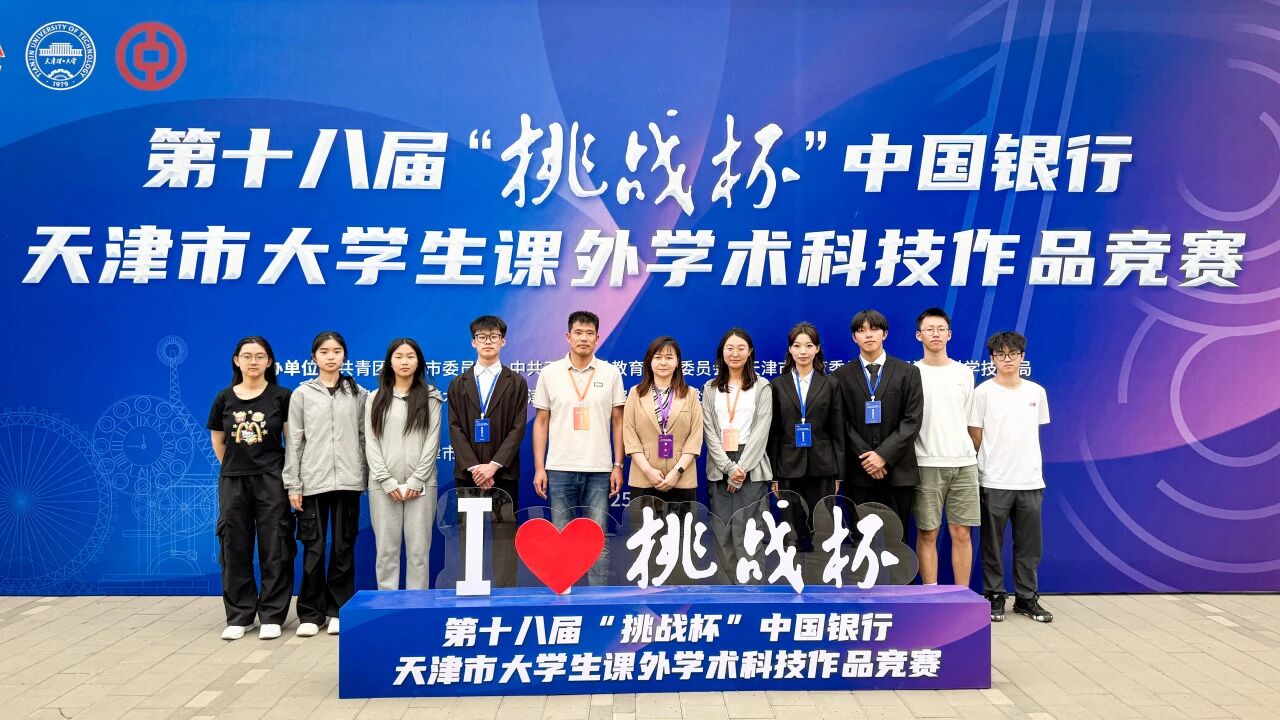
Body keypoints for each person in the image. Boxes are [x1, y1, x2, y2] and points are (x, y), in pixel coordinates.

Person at [208, 336, 294, 641]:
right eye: (247, 356)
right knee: (234, 546)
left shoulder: (282, 397)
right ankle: (240, 615)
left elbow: (292, 441)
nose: (253, 361)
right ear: (237, 361)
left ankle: (272, 614)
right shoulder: (223, 398)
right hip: (233, 480)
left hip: (272, 479)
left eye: (259, 356)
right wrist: (237, 466)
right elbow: (218, 442)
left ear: (269, 361)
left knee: (275, 546)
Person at [532, 311, 626, 587]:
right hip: (559, 468)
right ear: (568, 336)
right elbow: (541, 422)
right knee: (562, 538)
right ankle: (565, 594)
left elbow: (618, 421)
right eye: (578, 333)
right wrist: (539, 467)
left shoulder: (610, 373)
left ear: (597, 338)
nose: (583, 338)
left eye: (589, 333)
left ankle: (598, 599)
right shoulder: (550, 373)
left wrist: (617, 465)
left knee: (598, 537)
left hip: (599, 469)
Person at [282, 331, 367, 637]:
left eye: (337, 351)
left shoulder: (358, 393)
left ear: (344, 356)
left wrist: (364, 475)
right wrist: (293, 484)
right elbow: (294, 441)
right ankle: (310, 613)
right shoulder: (302, 394)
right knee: (314, 549)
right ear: (314, 357)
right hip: (312, 482)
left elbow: (364, 436)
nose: (331, 357)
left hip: (348, 481)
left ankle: (338, 610)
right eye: (324, 351)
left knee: (343, 547)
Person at [969, 331, 1053, 623]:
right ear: (992, 359)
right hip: (994, 479)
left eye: (1013, 354)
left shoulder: (1036, 392)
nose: (1007, 359)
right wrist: (992, 459)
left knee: (1029, 545)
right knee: (992, 544)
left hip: (1030, 479)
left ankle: (1027, 598)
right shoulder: (982, 392)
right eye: (1001, 355)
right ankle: (995, 595)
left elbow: (1033, 431)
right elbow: (975, 433)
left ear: (1022, 357)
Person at [447, 315, 529, 587]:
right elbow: (455, 428)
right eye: (482, 337)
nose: (488, 342)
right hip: (468, 475)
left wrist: (493, 465)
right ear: (473, 342)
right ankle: (471, 591)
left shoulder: (516, 382)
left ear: (503, 341)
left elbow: (518, 428)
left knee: (505, 535)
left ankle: (505, 594)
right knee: (468, 534)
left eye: (494, 336)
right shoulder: (458, 383)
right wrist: (475, 467)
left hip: (504, 474)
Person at [833, 309, 923, 539]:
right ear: (854, 337)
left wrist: (883, 455)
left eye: (874, 329)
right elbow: (840, 422)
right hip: (858, 472)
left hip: (898, 472)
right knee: (861, 542)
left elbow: (912, 420)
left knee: (897, 541)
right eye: (861, 330)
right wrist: (868, 457)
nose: (868, 335)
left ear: (885, 334)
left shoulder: (908, 372)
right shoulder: (840, 376)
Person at [364, 338, 443, 590]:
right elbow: (371, 442)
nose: (404, 361)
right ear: (390, 362)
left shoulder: (431, 397)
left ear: (418, 361)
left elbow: (432, 441)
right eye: (398, 356)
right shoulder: (375, 398)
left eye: (410, 356)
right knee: (386, 551)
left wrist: (417, 480)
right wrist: (386, 480)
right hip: (383, 486)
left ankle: (415, 604)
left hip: (422, 486)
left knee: (419, 552)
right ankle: (388, 604)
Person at [912, 308, 979, 588]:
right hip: (926, 462)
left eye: (941, 329)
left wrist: (967, 451)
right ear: (919, 335)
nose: (935, 334)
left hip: (964, 463)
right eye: (929, 329)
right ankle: (931, 594)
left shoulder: (964, 373)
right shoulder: (912, 373)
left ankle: (962, 595)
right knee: (928, 532)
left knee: (961, 532)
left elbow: (968, 418)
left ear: (949, 334)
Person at [702, 328, 773, 580]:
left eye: (741, 348)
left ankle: (752, 593)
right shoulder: (710, 388)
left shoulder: (762, 386)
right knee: (723, 533)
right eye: (730, 348)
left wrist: (741, 468)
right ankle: (727, 593)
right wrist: (728, 468)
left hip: (751, 465)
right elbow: (709, 431)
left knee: (749, 532)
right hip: (720, 464)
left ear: (750, 352)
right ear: (722, 352)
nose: (735, 353)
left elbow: (761, 430)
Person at [768, 322, 844, 553]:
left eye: (809, 345)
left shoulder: (830, 384)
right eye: (797, 346)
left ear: (817, 349)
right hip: (788, 468)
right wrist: (773, 476)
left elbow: (837, 430)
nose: (803, 351)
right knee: (791, 533)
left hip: (823, 467)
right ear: (790, 349)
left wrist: (839, 474)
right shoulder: (777, 385)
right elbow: (773, 433)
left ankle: (820, 575)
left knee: (822, 533)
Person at [622, 336, 704, 511]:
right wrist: (648, 471)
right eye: (658, 357)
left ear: (677, 362)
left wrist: (677, 472)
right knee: (644, 529)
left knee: (682, 529)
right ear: (649, 361)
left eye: (669, 357)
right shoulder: (635, 393)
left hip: (682, 478)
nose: (663, 362)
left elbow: (695, 438)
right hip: (644, 478)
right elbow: (629, 436)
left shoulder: (691, 394)